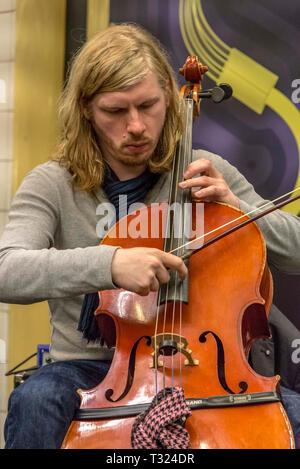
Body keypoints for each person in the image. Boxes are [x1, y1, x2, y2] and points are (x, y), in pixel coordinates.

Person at [1, 23, 300, 449]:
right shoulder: (54, 183)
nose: (137, 126)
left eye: (148, 105)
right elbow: (6, 269)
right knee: (35, 400)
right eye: (115, 111)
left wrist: (243, 211)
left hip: (208, 364)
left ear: (168, 98)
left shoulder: (203, 168)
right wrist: (111, 265)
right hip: (94, 369)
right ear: (86, 109)